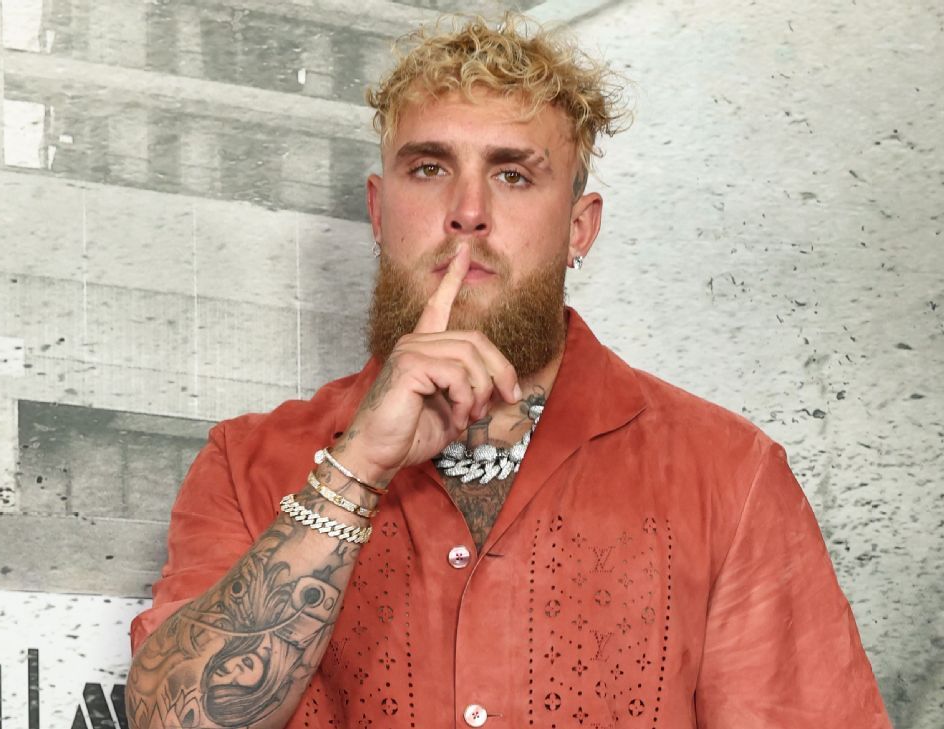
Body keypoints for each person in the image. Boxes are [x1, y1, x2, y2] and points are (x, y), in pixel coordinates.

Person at [124, 13, 892, 729]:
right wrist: (355, 471)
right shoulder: (247, 463)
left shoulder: (727, 474)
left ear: (579, 229)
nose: (468, 210)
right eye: (429, 167)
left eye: (514, 175)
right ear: (378, 212)